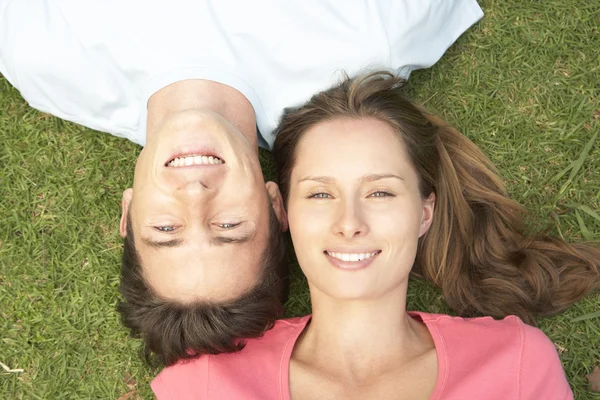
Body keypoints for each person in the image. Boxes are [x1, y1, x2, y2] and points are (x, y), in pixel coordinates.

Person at [0, 0, 484, 365]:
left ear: (127, 213)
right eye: (229, 225)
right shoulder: (373, 33)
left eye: (166, 230)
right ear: (277, 207)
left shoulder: (40, 60)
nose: (195, 195)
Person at [151, 72, 600, 399]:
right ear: (283, 212)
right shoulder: (205, 382)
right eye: (321, 193)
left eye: (381, 191)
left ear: (425, 212)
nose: (350, 222)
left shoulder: (516, 364)